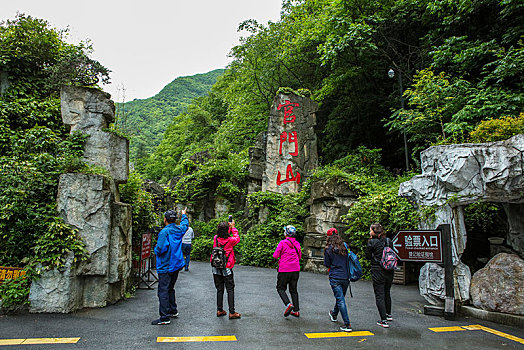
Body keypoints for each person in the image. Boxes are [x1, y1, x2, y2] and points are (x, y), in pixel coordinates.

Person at [151, 208, 188, 325]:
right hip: (176, 265)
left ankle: (164, 317)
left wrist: (155, 250)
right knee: (170, 288)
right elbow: (185, 225)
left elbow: (161, 248)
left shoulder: (164, 232)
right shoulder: (179, 229)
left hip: (166, 266)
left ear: (165, 219)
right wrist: (184, 215)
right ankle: (173, 310)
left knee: (163, 291)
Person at [366, 223, 394, 328]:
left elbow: (368, 256)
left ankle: (383, 320)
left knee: (379, 295)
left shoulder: (372, 242)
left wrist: (374, 255)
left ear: (374, 232)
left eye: (370, 230)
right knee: (387, 292)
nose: (369, 232)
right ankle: (388, 314)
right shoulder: (388, 241)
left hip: (378, 270)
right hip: (389, 270)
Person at [323, 228, 352, 332]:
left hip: (335, 276)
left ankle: (347, 324)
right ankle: (334, 314)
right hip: (346, 276)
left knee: (340, 299)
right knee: (341, 298)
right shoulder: (345, 246)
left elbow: (327, 264)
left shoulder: (328, 248)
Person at [211, 219, 241, 319]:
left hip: (216, 267)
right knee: (230, 289)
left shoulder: (215, 238)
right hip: (226, 268)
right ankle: (232, 312)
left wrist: (227, 228)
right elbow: (237, 238)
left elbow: (222, 235)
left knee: (219, 289)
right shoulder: (230, 240)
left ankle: (219, 310)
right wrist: (232, 227)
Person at [273, 225, 302, 317]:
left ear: (286, 233)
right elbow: (300, 257)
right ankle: (296, 310)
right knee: (293, 290)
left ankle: (288, 304)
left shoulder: (282, 243)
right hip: (295, 270)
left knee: (280, 288)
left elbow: (275, 255)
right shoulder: (297, 244)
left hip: (284, 270)